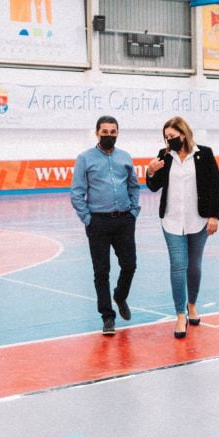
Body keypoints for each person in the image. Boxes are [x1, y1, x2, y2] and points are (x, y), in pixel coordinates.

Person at [145, 116, 219, 339]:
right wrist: (150, 171)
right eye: (166, 137)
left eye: (173, 136)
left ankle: (192, 305)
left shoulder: (204, 154)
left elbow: (215, 187)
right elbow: (153, 186)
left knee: (194, 265)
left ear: (184, 133)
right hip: (171, 220)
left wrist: (214, 216)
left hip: (198, 219)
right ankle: (180, 315)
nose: (170, 140)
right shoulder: (164, 155)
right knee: (178, 265)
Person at [70, 115, 140, 336]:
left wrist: (133, 211)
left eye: (113, 132)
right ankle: (107, 317)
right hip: (98, 222)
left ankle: (120, 296)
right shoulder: (85, 158)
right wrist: (88, 219)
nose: (109, 135)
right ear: (97, 133)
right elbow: (77, 192)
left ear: (118, 133)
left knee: (129, 265)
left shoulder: (125, 157)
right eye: (105, 132)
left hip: (124, 220)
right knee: (101, 271)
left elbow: (134, 186)